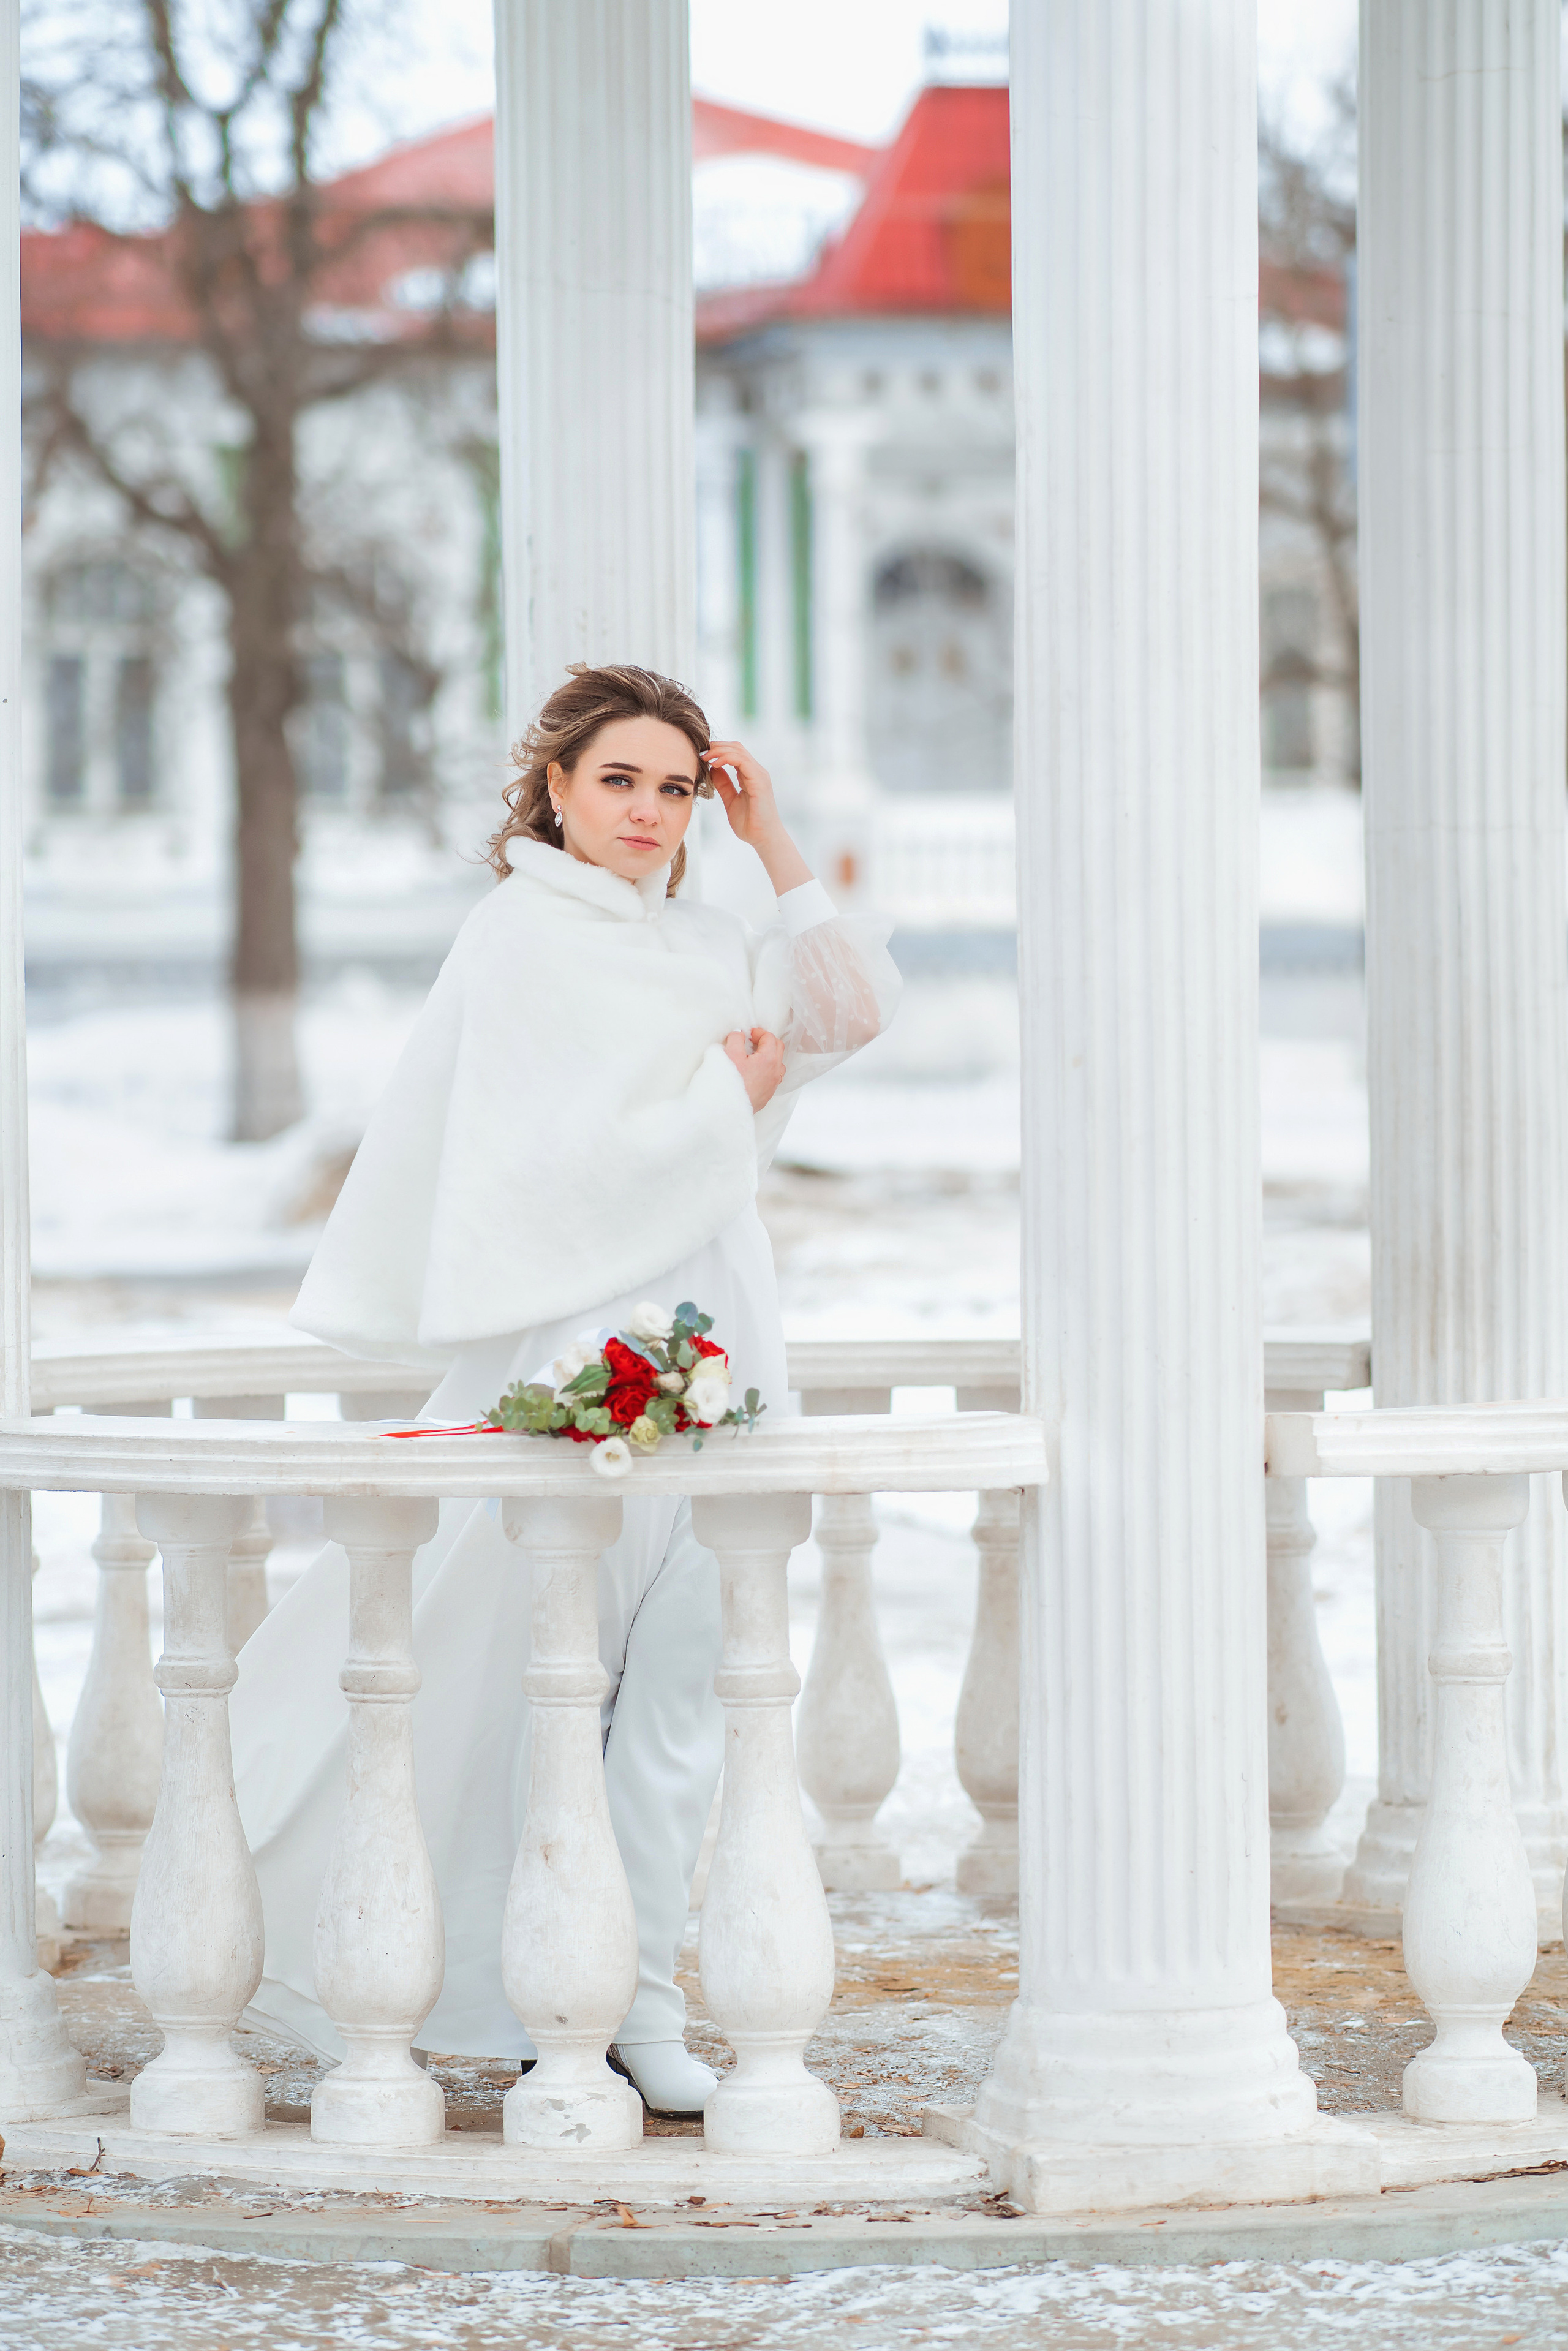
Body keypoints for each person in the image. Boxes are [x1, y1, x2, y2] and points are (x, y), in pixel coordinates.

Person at [230, 662, 900, 2119]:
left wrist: (772, 833)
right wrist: (726, 1097)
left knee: (679, 1707)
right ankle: (560, 2007)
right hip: (578, 1370)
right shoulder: (519, 936)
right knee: (545, 1696)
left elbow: (850, 1006)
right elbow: (553, 1169)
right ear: (554, 787)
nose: (650, 811)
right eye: (620, 781)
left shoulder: (712, 936)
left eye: (675, 785)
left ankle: (643, 2000)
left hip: (724, 1354)